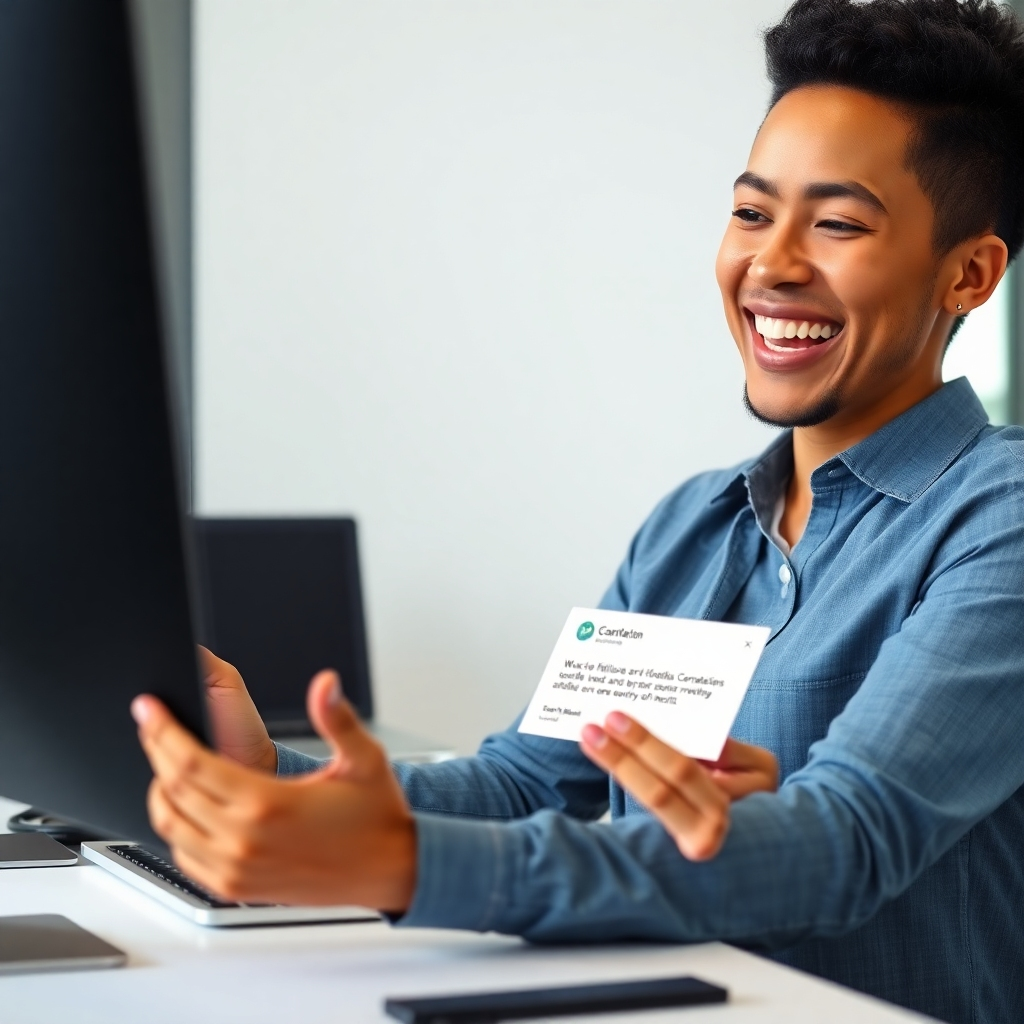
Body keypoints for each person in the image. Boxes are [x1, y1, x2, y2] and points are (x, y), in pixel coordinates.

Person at [130, 1, 1024, 1021]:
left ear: (968, 272)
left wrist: (405, 861)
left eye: (836, 223)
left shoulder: (998, 519)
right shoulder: (694, 525)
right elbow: (530, 782)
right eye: (749, 211)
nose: (769, 263)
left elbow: (846, 841)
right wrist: (280, 784)